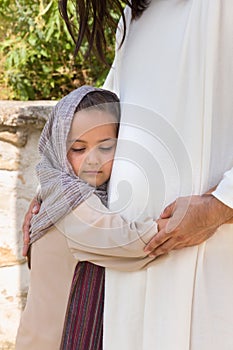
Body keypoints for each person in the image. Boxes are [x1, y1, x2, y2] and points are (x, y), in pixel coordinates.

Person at [23, 1, 233, 349]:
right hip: (129, 282)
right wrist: (57, 190)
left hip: (211, 258)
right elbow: (93, 119)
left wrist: (220, 205)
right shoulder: (133, 18)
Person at [16, 85, 159, 350]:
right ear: (58, 147)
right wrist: (196, 214)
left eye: (105, 147)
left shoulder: (52, 192)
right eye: (79, 149)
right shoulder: (72, 204)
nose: (93, 160)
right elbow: (132, 242)